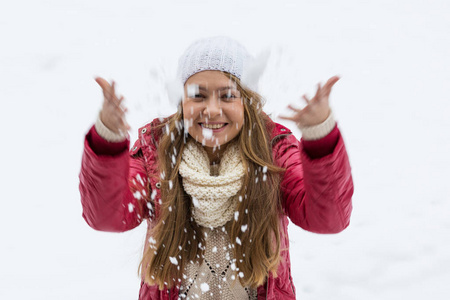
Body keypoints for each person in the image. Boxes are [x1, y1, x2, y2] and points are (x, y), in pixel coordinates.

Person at [79, 36, 353, 300]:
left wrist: (320, 137)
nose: (211, 109)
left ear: (247, 102)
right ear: (182, 103)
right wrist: (108, 142)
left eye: (227, 96)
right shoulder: (156, 153)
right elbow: (108, 216)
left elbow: (328, 219)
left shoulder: (274, 153)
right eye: (198, 96)